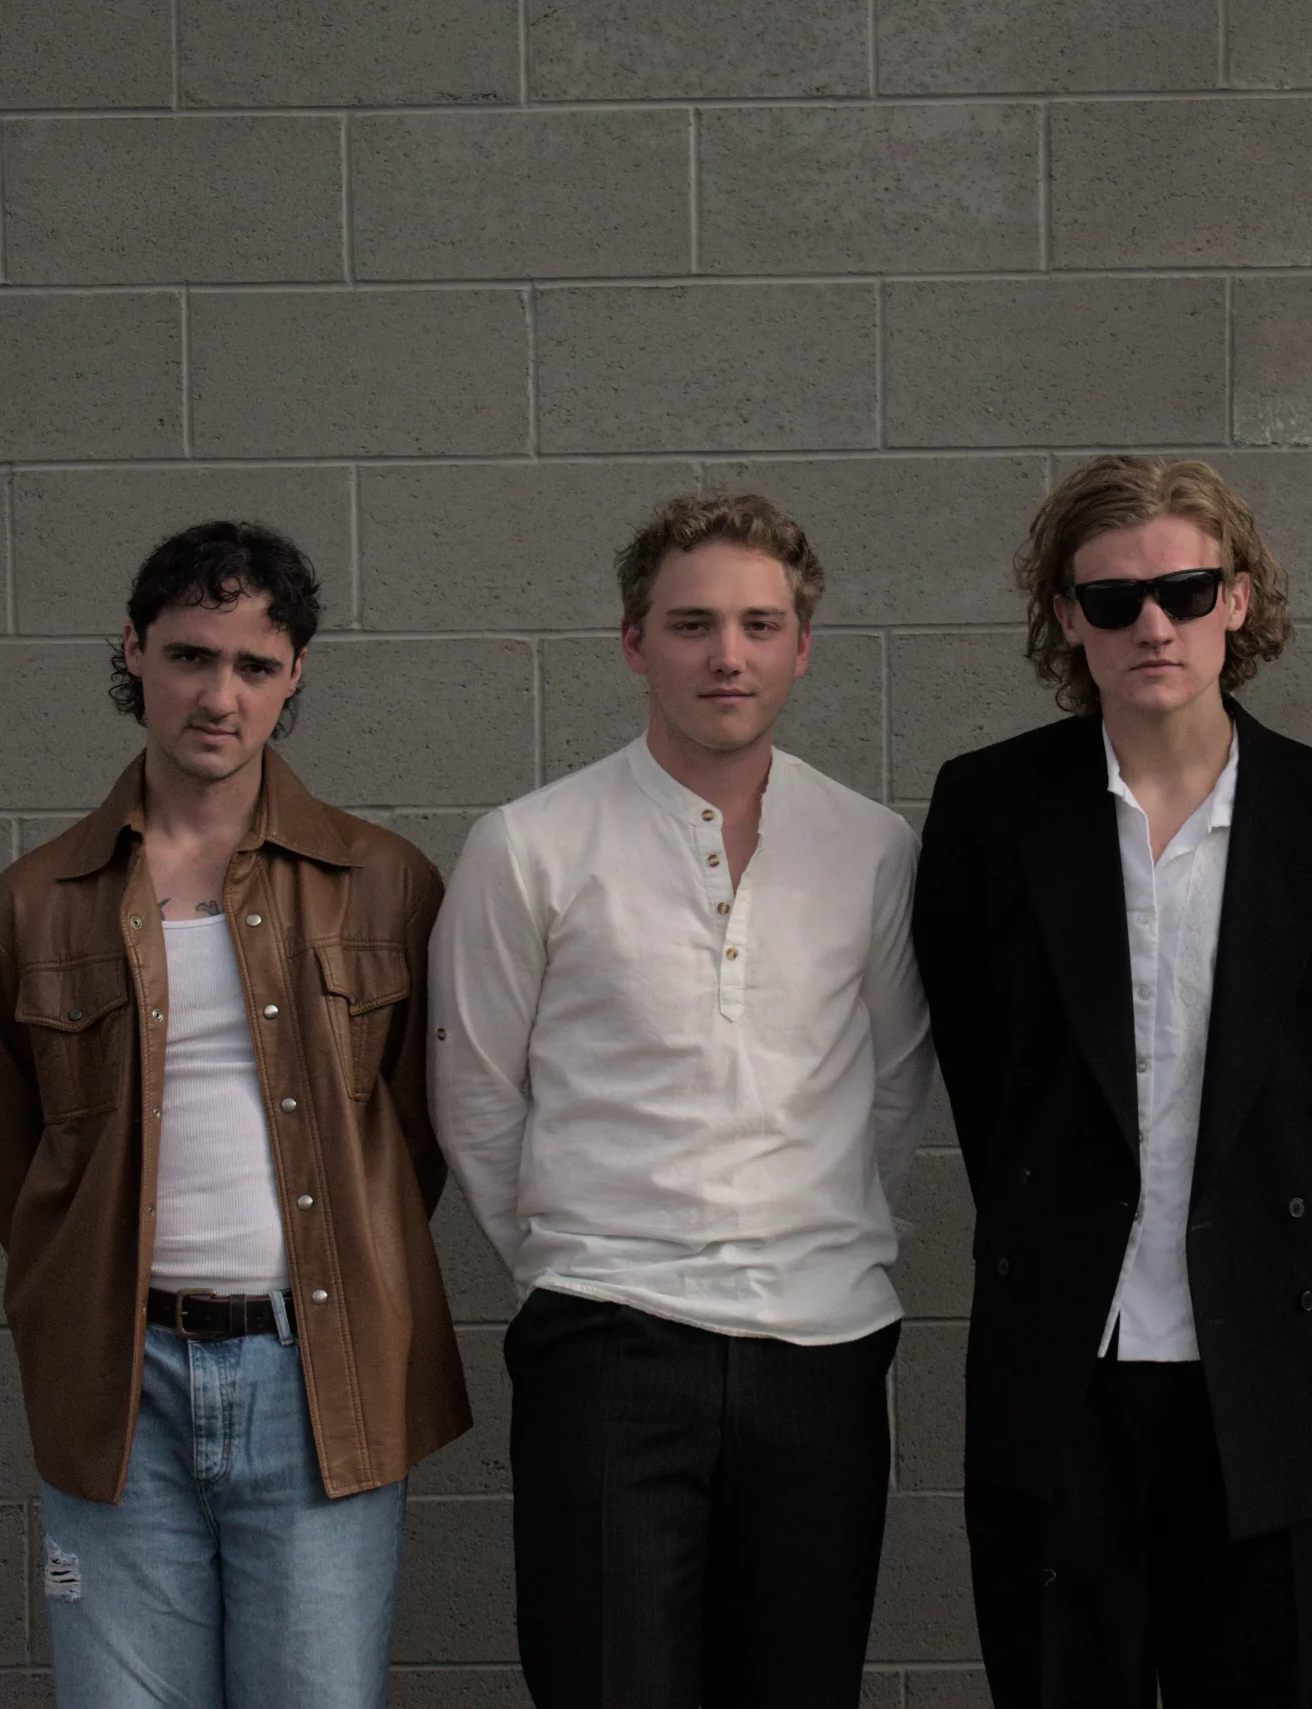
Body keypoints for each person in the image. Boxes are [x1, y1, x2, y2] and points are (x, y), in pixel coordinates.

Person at [915, 455, 1312, 1707]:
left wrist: (1261, 1235)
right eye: (1112, 601)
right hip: (1061, 1359)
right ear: (1066, 619)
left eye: (1185, 591)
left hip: (1264, 1370)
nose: (1152, 624)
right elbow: (984, 1079)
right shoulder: (990, 809)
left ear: (1238, 602)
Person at [0, 521, 468, 1708]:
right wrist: (84, 1271)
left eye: (254, 665)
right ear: (133, 652)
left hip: (321, 1374)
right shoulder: (29, 906)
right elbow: (3, 1145)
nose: (218, 695)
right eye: (189, 655)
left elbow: (418, 1133)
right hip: (116, 1381)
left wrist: (349, 1255)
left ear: (296, 677)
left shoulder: (385, 881)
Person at [429, 492, 932, 1709]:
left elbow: (893, 1082)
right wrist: (576, 1255)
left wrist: (800, 1230)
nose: (727, 654)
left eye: (761, 624)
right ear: (632, 641)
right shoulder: (531, 844)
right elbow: (476, 1092)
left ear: (802, 646)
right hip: (608, 1339)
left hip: (822, 1351)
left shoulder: (873, 847)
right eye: (692, 622)